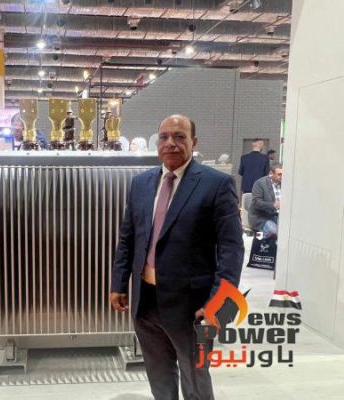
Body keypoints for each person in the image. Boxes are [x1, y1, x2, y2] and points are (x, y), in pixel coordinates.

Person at [110, 114, 244, 400]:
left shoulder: (216, 184)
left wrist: (219, 303)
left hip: (192, 305)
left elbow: (231, 250)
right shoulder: (141, 184)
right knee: (158, 374)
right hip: (145, 300)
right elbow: (128, 238)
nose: (170, 143)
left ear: (194, 142)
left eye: (179, 136)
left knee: (195, 377)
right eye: (164, 137)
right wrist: (119, 283)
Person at [249, 162, 282, 238]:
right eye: (279, 174)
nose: (282, 177)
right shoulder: (260, 183)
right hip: (262, 216)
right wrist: (273, 205)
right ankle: (261, 243)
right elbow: (256, 202)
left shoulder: (285, 184)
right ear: (271, 174)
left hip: (279, 216)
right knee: (274, 231)